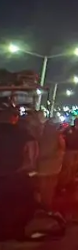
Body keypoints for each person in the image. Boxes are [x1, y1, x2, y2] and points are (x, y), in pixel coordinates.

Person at [0, 101, 39, 239]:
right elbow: (31, 160)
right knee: (21, 209)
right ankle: (15, 233)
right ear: (14, 117)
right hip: (16, 179)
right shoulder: (24, 134)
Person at [36, 115, 65, 210]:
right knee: (50, 187)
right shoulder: (57, 135)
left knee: (41, 186)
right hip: (54, 166)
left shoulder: (38, 135)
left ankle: (41, 205)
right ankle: (47, 206)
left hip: (41, 166)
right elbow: (62, 147)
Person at [59, 118, 78, 191]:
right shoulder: (69, 129)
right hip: (69, 151)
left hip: (76, 151)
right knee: (67, 168)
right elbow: (62, 136)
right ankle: (63, 184)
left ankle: (71, 182)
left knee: (75, 167)